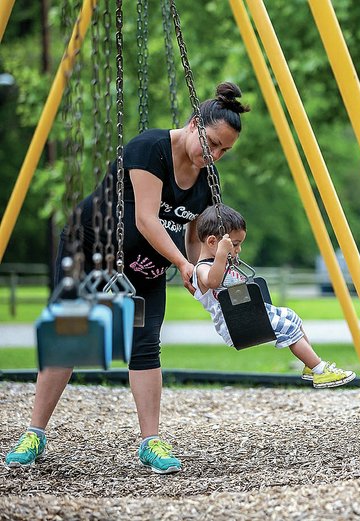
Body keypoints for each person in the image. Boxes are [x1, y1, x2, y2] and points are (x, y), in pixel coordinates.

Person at [4, 81, 249, 474]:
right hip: (90, 251)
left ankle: (150, 442)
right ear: (194, 124)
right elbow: (145, 219)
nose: (215, 154)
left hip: (145, 268)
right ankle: (35, 432)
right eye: (213, 143)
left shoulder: (207, 180)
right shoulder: (148, 148)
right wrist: (184, 265)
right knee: (71, 334)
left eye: (224, 151)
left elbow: (191, 236)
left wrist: (201, 269)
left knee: (145, 344)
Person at [192, 204, 355, 389]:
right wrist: (222, 254)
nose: (239, 250)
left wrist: (225, 256)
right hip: (236, 323)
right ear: (212, 242)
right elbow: (213, 282)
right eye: (235, 245)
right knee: (288, 329)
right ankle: (320, 370)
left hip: (252, 313)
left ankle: (310, 365)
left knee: (291, 316)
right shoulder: (202, 269)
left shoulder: (222, 264)